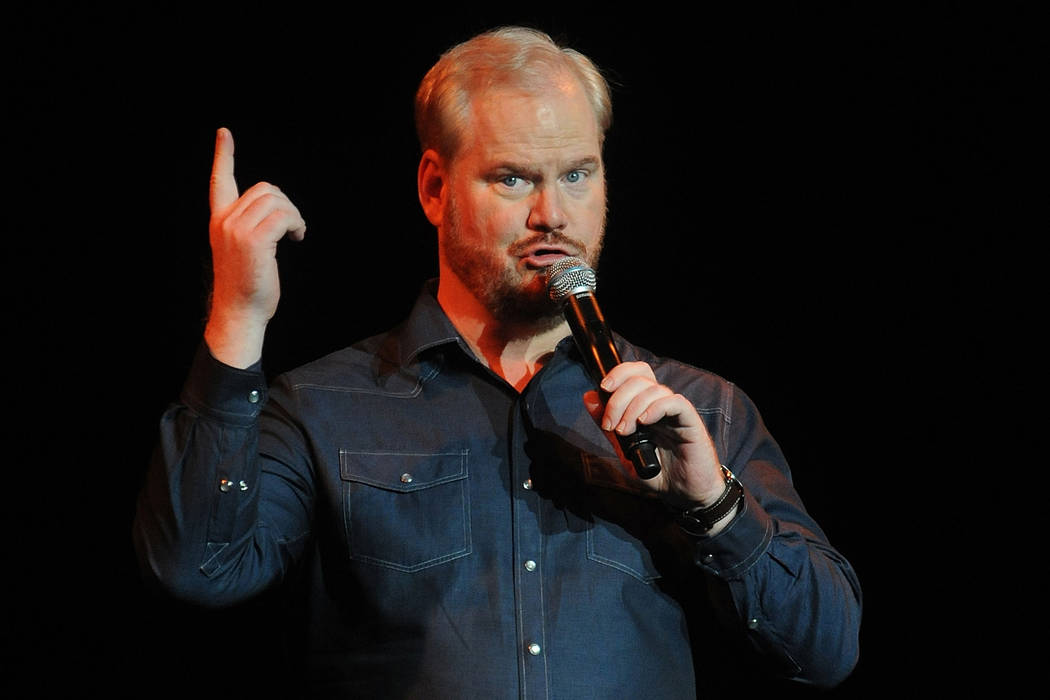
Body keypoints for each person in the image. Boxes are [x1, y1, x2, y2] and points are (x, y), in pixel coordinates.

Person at [133, 26, 861, 697]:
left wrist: (713, 505)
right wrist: (237, 318)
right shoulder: (323, 404)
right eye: (513, 178)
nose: (554, 214)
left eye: (577, 174)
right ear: (434, 187)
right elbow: (199, 569)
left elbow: (826, 649)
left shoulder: (698, 409)